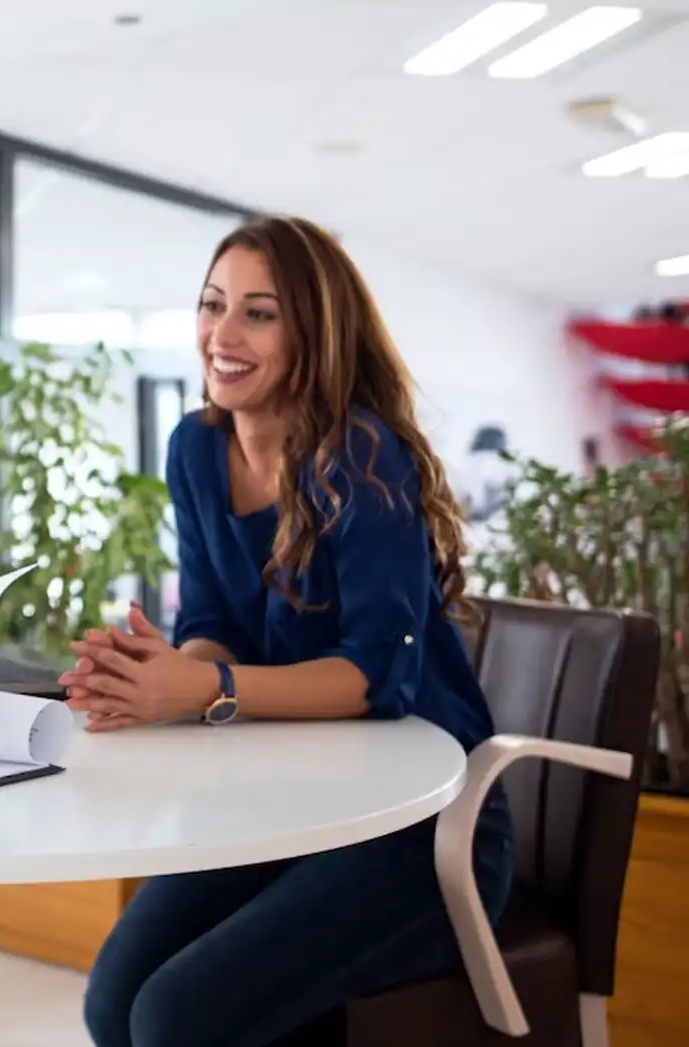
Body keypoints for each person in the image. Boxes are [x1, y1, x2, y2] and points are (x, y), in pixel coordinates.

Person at [58, 215, 514, 1047]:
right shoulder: (196, 448)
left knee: (175, 1018)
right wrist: (163, 674)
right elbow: (212, 623)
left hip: (423, 825)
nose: (221, 335)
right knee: (111, 1000)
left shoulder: (363, 457)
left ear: (314, 332)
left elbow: (380, 679)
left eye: (258, 313)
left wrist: (203, 688)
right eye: (211, 304)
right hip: (290, 802)